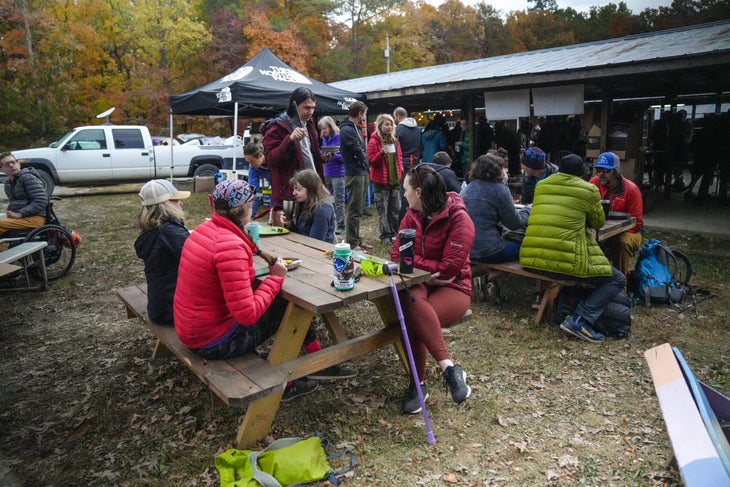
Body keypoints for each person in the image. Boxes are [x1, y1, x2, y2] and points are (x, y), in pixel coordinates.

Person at [173, 179, 320, 400]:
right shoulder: (231, 246)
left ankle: (313, 357)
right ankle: (294, 378)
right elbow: (247, 314)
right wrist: (275, 278)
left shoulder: (205, 230)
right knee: (290, 307)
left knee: (274, 298)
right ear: (246, 209)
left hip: (191, 328)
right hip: (212, 341)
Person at [390, 164, 474, 414]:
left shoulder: (460, 219)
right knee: (413, 308)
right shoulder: (411, 214)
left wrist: (414, 263)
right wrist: (428, 271)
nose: (403, 195)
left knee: (414, 319)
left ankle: (418, 384)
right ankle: (449, 369)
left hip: (454, 286)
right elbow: (396, 254)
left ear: (418, 192)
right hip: (421, 282)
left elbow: (448, 269)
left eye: (406, 190)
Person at [520, 154, 626, 343]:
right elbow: (598, 222)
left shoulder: (541, 186)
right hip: (563, 263)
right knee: (617, 279)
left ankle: (571, 306)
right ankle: (581, 318)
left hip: (531, 259)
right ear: (581, 173)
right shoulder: (589, 190)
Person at [261, 87, 324, 227]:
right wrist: (289, 140)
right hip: (289, 191)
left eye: (313, 108)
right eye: (306, 107)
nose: (310, 112)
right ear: (294, 105)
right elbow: (271, 160)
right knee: (289, 234)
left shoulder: (309, 124)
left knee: (309, 231)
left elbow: (310, 154)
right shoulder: (276, 127)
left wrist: (322, 158)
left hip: (311, 188)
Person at [134, 179, 191, 324]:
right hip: (172, 311)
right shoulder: (171, 232)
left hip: (159, 305)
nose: (181, 203)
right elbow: (200, 262)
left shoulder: (153, 230)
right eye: (176, 200)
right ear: (165, 205)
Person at [462, 153, 530, 263]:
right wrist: (527, 210)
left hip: (466, 249)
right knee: (528, 246)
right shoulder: (500, 190)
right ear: (498, 170)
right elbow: (514, 224)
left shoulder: (467, 189)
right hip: (488, 250)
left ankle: (488, 278)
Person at [588, 152, 643, 275]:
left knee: (622, 242)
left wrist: (612, 233)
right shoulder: (594, 183)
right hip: (600, 227)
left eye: (606, 170)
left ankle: (620, 283)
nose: (601, 174)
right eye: (598, 170)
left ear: (616, 171)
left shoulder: (632, 190)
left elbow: (637, 222)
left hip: (630, 231)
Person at [340, 100, 372, 250]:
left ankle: (357, 239)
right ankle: (351, 243)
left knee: (358, 208)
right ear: (359, 114)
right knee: (353, 209)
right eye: (364, 114)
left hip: (361, 171)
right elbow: (357, 150)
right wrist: (367, 163)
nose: (365, 117)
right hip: (355, 173)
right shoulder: (347, 130)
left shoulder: (355, 128)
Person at [367, 114, 403, 245]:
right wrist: (380, 154)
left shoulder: (395, 140)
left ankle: (395, 233)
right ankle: (385, 235)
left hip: (395, 181)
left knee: (395, 209)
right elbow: (371, 161)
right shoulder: (374, 141)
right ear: (380, 126)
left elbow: (399, 158)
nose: (389, 127)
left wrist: (400, 171)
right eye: (386, 124)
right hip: (381, 182)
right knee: (383, 210)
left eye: (391, 124)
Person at [0, 152, 48, 236]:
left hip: (36, 217)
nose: (11, 165)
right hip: (22, 217)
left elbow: (41, 200)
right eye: (7, 164)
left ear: (18, 165)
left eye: (13, 162)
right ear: (2, 169)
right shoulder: (8, 183)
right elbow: (15, 202)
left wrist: (20, 214)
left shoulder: (28, 177)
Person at [288, 169, 336, 243]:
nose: (294, 193)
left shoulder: (322, 209)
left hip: (319, 252)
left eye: (298, 189)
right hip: (303, 248)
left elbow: (315, 242)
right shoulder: (304, 203)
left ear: (310, 189)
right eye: (294, 189)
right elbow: (299, 233)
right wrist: (289, 223)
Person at [318, 116, 345, 235]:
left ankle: (341, 224)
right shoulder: (324, 138)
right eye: (322, 129)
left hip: (338, 173)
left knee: (339, 199)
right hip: (327, 172)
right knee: (327, 199)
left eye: (324, 128)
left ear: (330, 126)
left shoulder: (339, 137)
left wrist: (334, 155)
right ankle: (330, 222)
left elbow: (344, 156)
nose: (323, 131)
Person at [243, 141, 271, 218]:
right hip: (265, 174)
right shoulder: (252, 167)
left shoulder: (272, 159)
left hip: (276, 178)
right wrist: (249, 217)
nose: (251, 165)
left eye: (252, 161)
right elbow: (253, 190)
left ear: (260, 155)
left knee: (274, 195)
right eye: (248, 162)